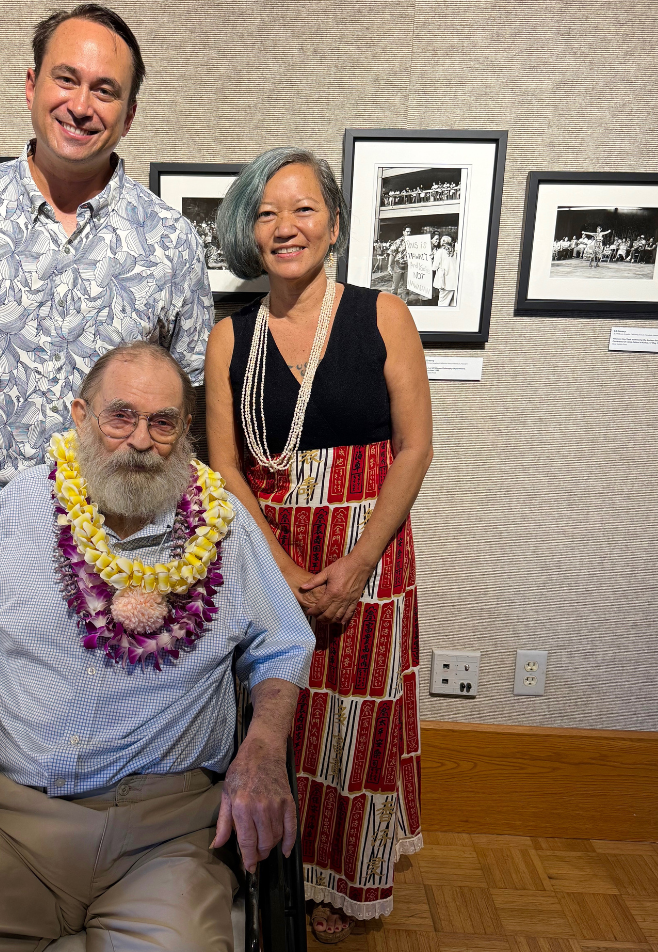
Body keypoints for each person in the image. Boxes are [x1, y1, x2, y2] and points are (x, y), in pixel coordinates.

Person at [0, 342, 317, 951]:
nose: (141, 441)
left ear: (184, 430)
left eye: (162, 423)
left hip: (171, 833)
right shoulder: (24, 505)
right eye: (121, 416)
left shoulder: (224, 525)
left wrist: (264, 747)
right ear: (81, 416)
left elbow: (283, 641)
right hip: (13, 822)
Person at [0, 4, 213, 600]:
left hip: (118, 549)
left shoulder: (171, 241)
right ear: (32, 85)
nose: (81, 106)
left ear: (129, 115)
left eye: (104, 90)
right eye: (66, 79)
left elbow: (183, 383)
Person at [205, 148, 434, 944]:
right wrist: (286, 570)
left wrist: (356, 562)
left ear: (333, 226)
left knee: (355, 722)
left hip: (367, 554)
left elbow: (414, 448)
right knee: (277, 715)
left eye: (302, 209)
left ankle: (346, 878)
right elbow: (225, 466)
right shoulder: (230, 337)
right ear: (248, 230)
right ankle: (273, 868)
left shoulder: (382, 315)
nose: (284, 226)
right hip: (268, 552)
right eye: (266, 212)